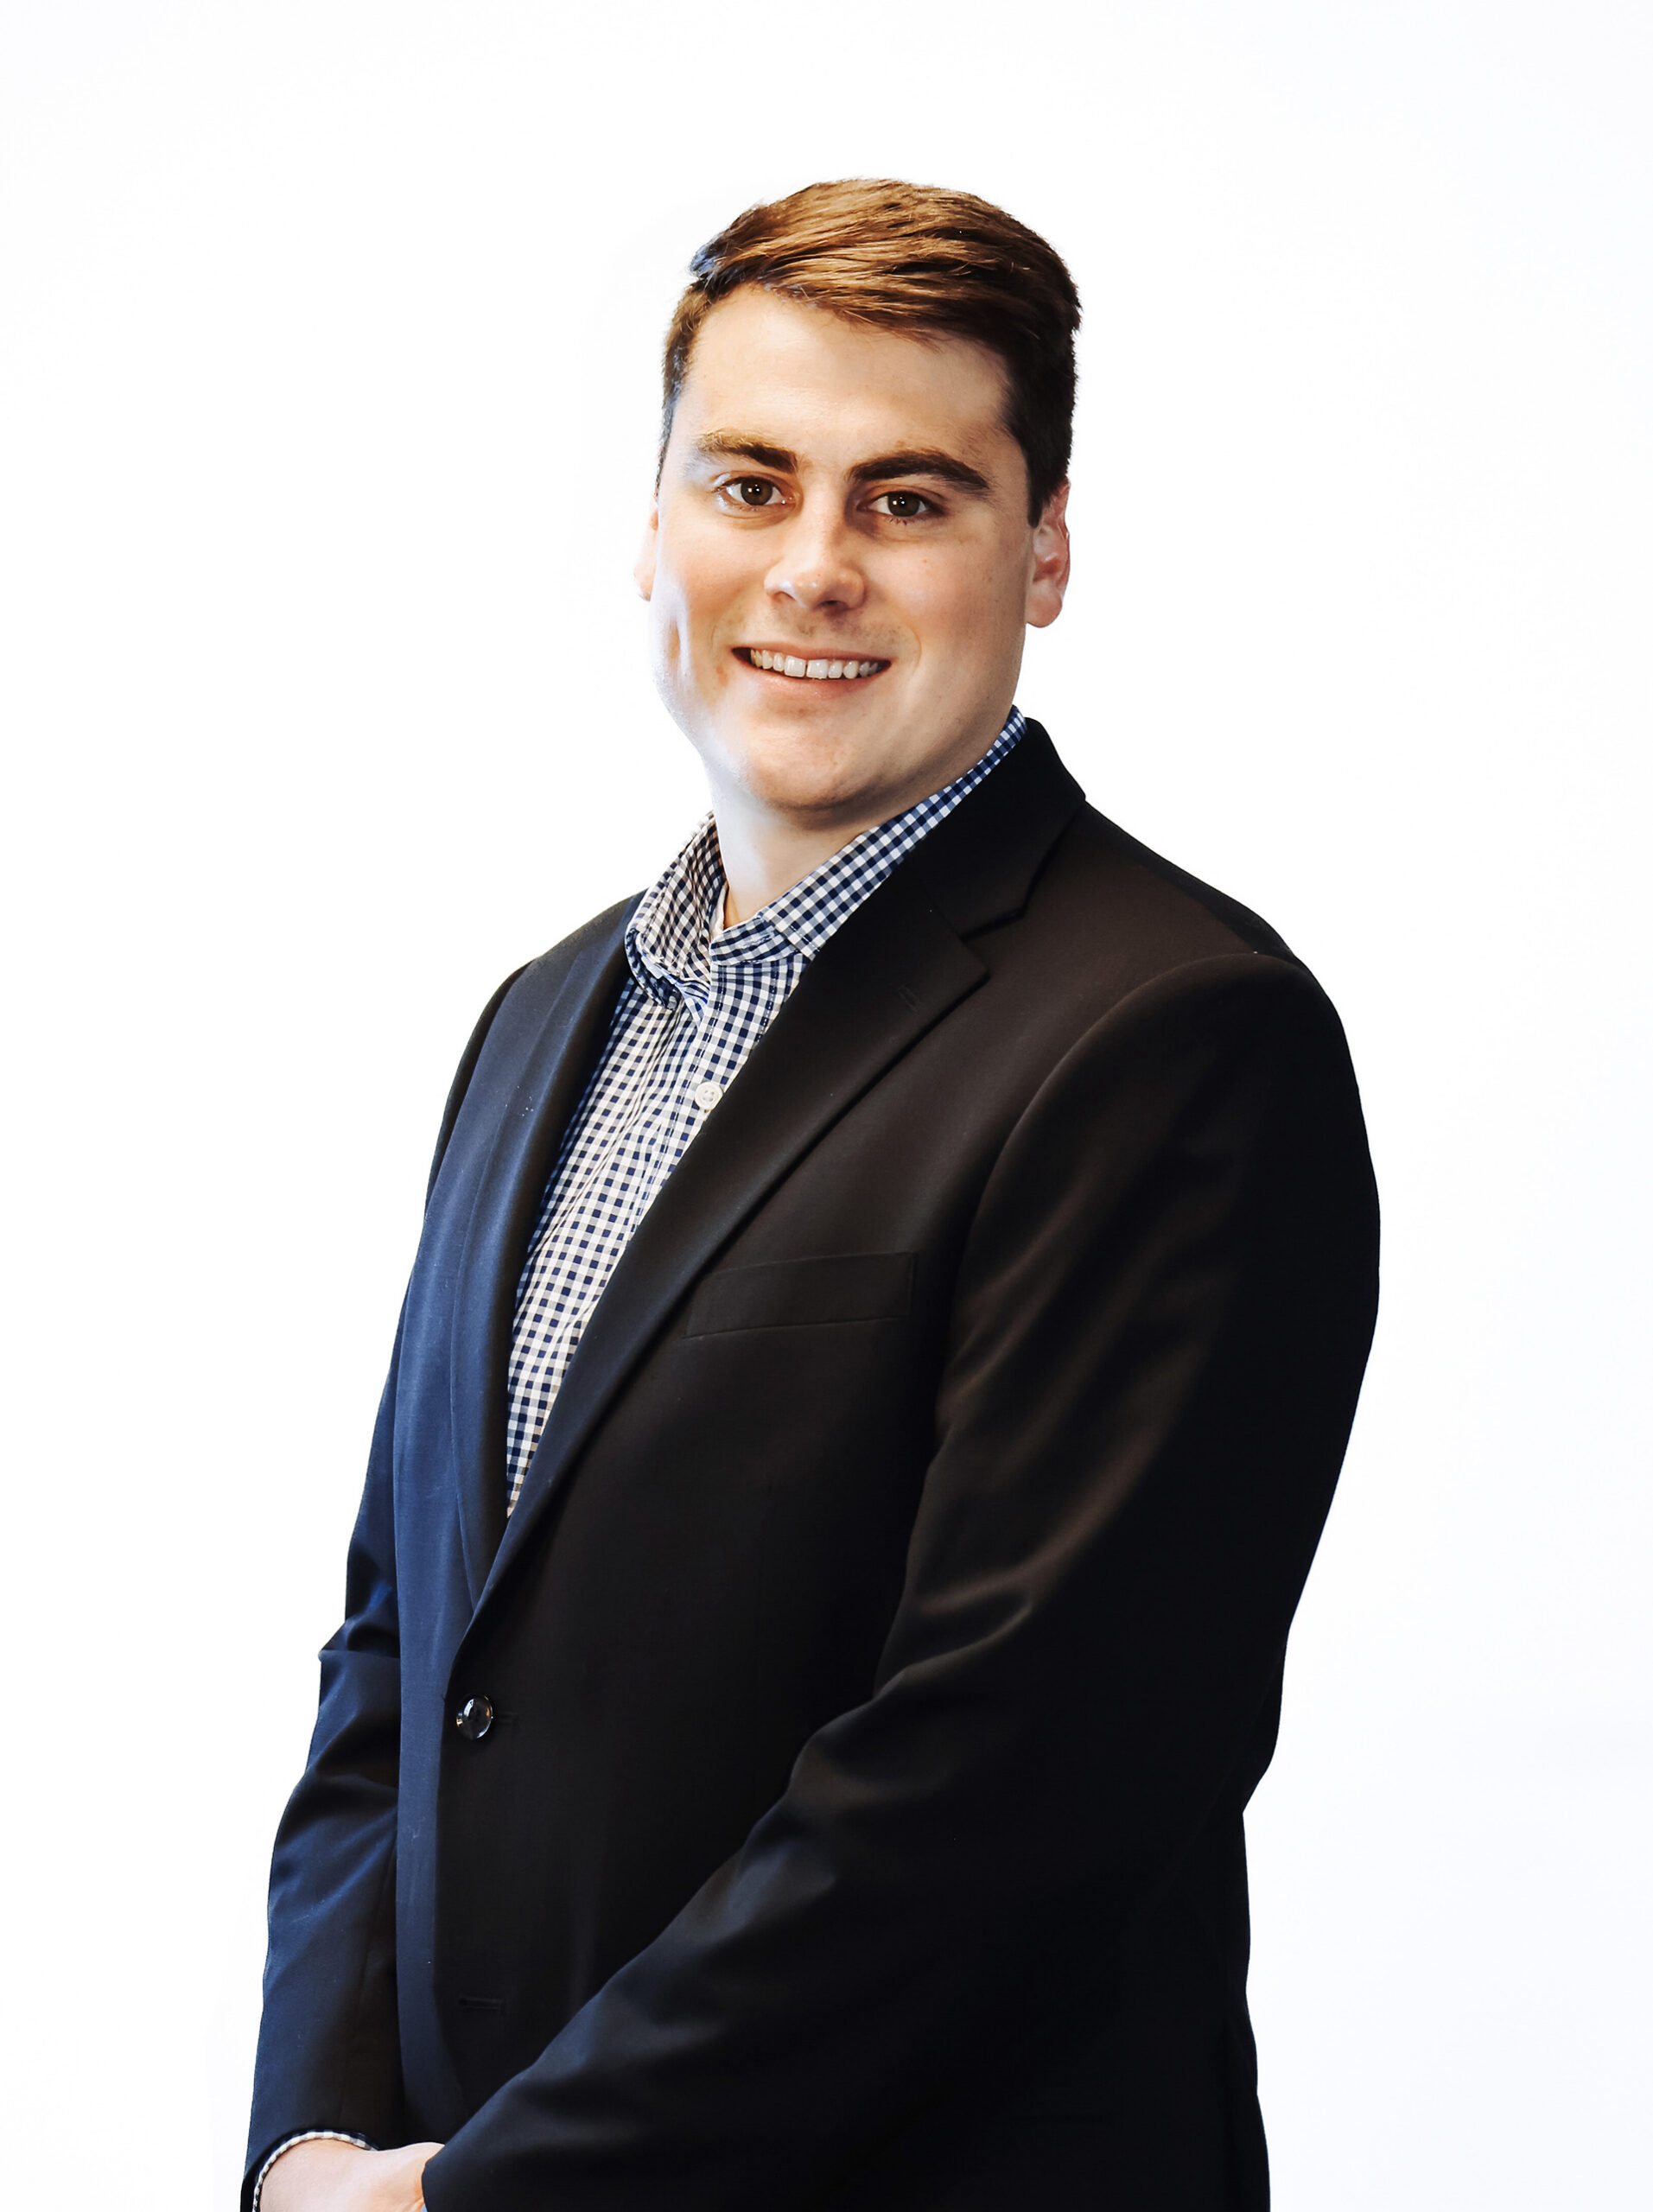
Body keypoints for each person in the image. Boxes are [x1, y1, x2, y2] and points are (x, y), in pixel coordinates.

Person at [247, 178, 1379, 2212]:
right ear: (652, 525)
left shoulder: (1175, 1036)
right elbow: (405, 1654)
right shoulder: (541, 1018)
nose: (811, 566)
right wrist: (319, 2144)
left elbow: (1011, 1779)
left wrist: (494, 2191)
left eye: (910, 499)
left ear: (1043, 554)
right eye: (749, 481)